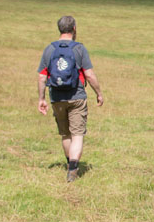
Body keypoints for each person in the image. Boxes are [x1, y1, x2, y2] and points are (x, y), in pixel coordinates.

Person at [37, 15, 104, 183]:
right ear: (74, 29)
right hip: (77, 96)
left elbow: (41, 77)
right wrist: (99, 92)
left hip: (56, 97)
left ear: (59, 29)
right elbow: (89, 74)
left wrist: (41, 98)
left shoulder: (49, 49)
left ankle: (69, 164)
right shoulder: (79, 49)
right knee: (78, 134)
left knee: (65, 134)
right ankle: (73, 169)